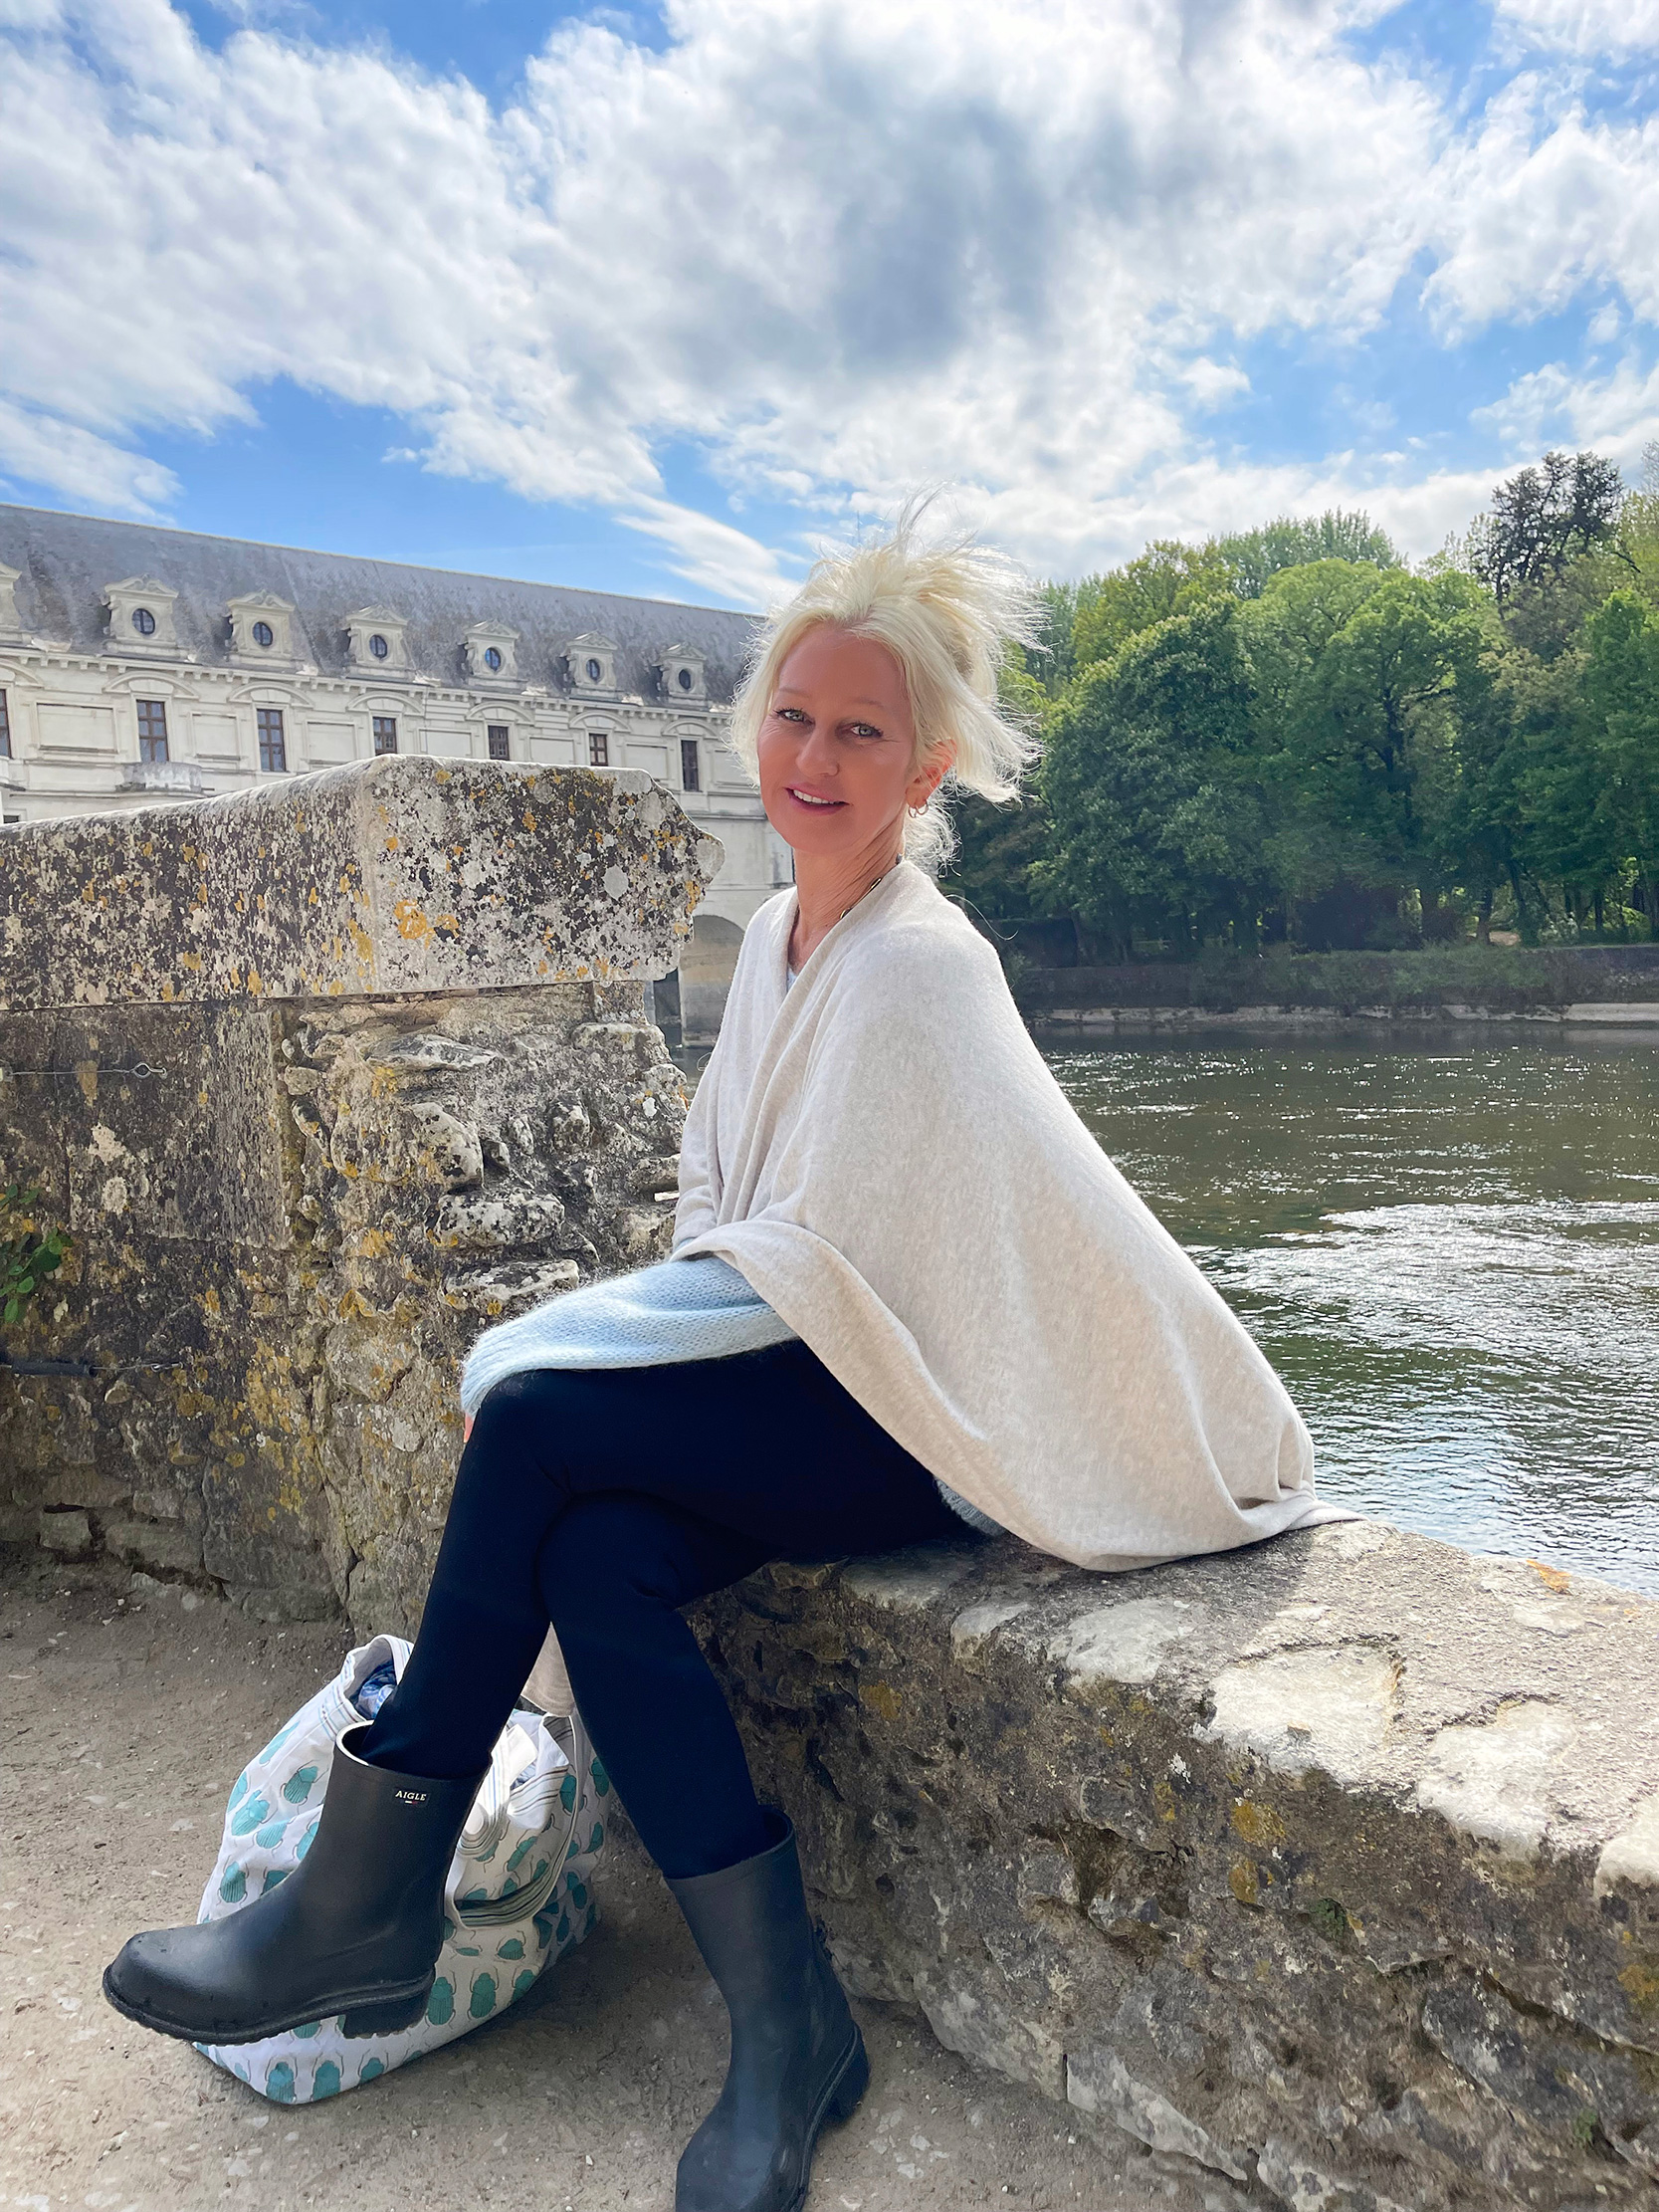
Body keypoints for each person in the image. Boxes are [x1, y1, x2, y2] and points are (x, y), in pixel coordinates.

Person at [104, 517, 1342, 2212]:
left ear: (929, 768)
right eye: (793, 717)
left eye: (861, 731)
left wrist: (538, 1348)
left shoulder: (918, 966)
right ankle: (792, 2028)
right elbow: (719, 1204)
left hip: (932, 1410)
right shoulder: (772, 941)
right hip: (829, 1372)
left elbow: (794, 1268)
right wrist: (591, 1343)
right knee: (598, 1553)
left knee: (531, 1419)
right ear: (754, 729)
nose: (816, 758)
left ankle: (362, 1909)